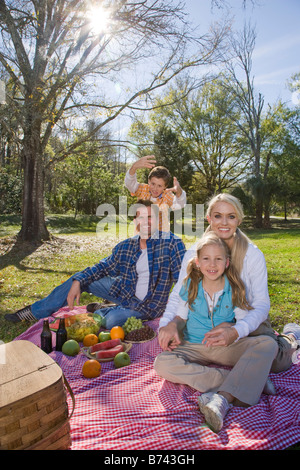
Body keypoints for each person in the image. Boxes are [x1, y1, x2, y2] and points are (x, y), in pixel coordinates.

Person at [155, 193, 300, 432]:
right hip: (202, 337)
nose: (224, 222)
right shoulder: (196, 252)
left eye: (231, 216)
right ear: (209, 219)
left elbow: (261, 305)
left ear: (239, 220)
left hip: (246, 327)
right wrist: (169, 323)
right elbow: (178, 295)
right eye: (218, 216)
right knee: (163, 361)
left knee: (272, 353)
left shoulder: (252, 254)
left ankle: (290, 338)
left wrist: (235, 330)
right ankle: (247, 379)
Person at [5, 201, 186, 329]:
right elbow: (102, 267)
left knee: (110, 321)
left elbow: (184, 281)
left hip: (148, 306)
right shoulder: (127, 246)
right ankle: (34, 312)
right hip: (124, 292)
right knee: (80, 278)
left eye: (150, 217)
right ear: (135, 222)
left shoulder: (171, 244)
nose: (146, 222)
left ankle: (105, 310)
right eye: (141, 217)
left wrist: (180, 316)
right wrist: (78, 281)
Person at [124, 155, 186, 231]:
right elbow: (129, 184)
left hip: (161, 238)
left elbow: (180, 204)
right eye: (153, 184)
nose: (155, 189)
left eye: (159, 186)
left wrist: (179, 192)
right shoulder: (143, 189)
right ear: (149, 181)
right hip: (143, 236)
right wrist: (134, 167)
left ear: (165, 186)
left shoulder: (166, 195)